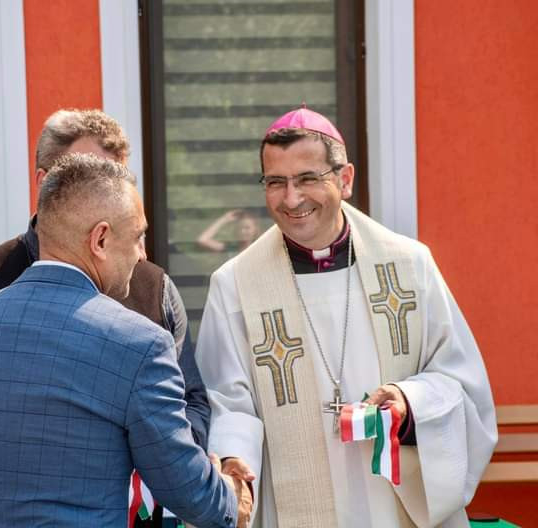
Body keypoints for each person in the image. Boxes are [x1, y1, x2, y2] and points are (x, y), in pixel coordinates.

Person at [0, 109, 211, 526]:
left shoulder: (154, 286)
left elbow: (192, 401)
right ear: (46, 181)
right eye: (86, 172)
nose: (105, 186)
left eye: (116, 176)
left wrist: (159, 454)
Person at [195, 107, 497, 527]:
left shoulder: (410, 266)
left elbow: (461, 382)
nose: (291, 199)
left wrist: (410, 403)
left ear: (345, 179)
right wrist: (233, 467)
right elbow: (229, 403)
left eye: (307, 178)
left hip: (391, 505)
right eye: (276, 182)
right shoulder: (235, 286)